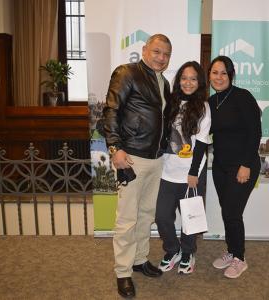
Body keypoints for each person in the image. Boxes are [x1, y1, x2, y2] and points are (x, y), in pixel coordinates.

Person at [102, 34, 172, 298]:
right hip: (130, 157)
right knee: (127, 218)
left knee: (145, 214)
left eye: (166, 54)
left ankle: (140, 259)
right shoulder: (127, 73)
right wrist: (114, 148)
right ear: (144, 50)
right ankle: (123, 272)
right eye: (157, 52)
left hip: (156, 159)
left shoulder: (164, 83)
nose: (161, 58)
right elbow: (111, 110)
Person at [208, 56, 262, 279]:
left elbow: (255, 133)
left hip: (242, 166)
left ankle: (240, 258)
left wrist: (246, 164)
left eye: (223, 73)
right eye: (214, 72)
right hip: (220, 166)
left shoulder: (242, 97)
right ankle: (231, 251)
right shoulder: (212, 102)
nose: (218, 77)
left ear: (231, 75)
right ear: (209, 75)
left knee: (232, 212)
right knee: (227, 211)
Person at [155, 61, 211, 275]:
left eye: (193, 78)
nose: (188, 82)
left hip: (191, 172)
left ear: (200, 82)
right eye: (184, 78)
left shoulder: (203, 108)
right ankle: (172, 249)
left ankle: (188, 252)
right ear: (178, 80)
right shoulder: (169, 103)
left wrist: (194, 172)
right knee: (162, 216)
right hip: (167, 171)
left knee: (190, 216)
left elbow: (203, 143)